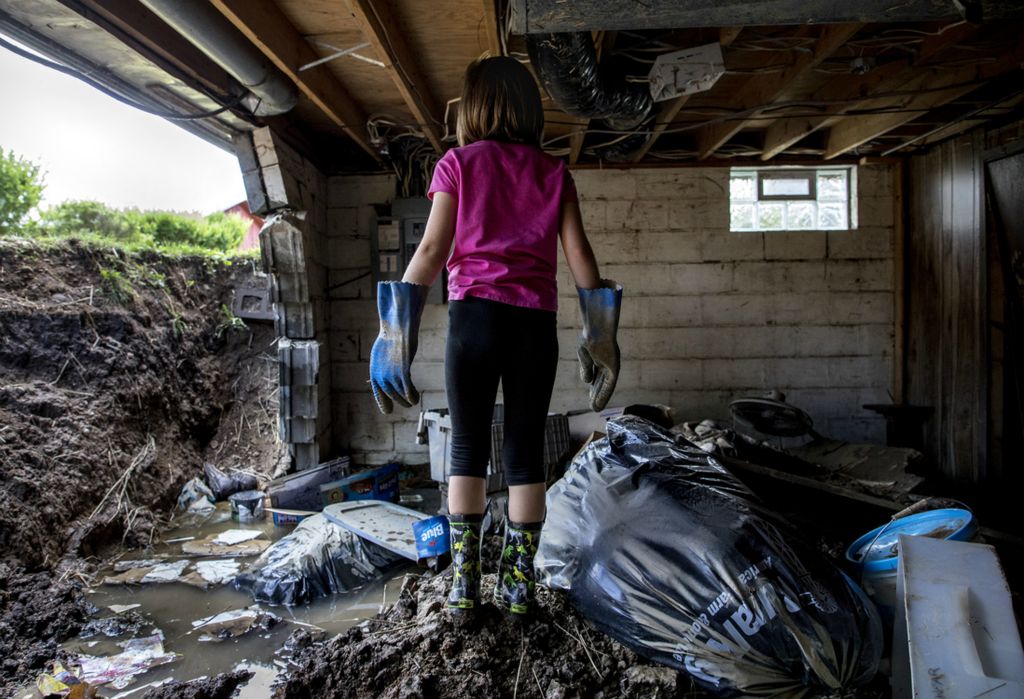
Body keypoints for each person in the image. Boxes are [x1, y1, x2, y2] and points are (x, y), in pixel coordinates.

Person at [369, 55, 622, 618]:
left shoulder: (456, 165)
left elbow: (432, 250)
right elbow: (581, 256)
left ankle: (464, 586)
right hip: (534, 325)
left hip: (473, 321)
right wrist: (600, 331)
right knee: (525, 450)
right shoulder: (555, 173)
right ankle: (517, 587)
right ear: (530, 111)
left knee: (467, 446)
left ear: (473, 108)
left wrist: (395, 326)